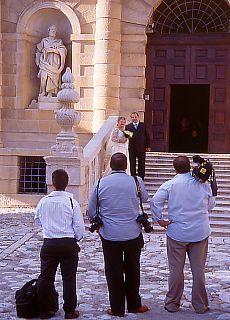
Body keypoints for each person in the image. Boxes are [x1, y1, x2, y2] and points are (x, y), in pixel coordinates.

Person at [150, 156, 216, 314]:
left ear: (175, 168)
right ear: (190, 167)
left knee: (175, 270)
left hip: (177, 232)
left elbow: (155, 202)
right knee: (199, 270)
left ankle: (172, 303)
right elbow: (211, 206)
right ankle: (200, 305)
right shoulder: (203, 184)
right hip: (199, 231)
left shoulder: (170, 184)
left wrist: (159, 220)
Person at [87, 153, 149, 317]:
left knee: (113, 271)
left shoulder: (100, 183)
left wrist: (97, 222)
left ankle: (117, 308)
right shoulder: (136, 181)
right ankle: (135, 304)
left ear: (111, 166)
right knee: (133, 269)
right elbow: (145, 197)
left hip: (109, 234)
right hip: (133, 232)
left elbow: (91, 210)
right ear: (126, 165)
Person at [35, 169, 84, 319]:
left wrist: (48, 228)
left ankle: (45, 309)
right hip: (67, 242)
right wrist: (76, 238)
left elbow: (37, 219)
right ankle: (69, 310)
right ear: (67, 183)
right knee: (69, 277)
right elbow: (79, 226)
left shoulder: (44, 201)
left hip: (49, 242)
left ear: (52, 183)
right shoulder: (71, 202)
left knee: (45, 276)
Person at [36, 25, 67, 97]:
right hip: (45, 62)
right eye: (52, 29)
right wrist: (38, 59)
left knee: (52, 79)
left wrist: (53, 50)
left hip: (55, 63)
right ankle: (43, 91)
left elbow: (63, 51)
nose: (53, 31)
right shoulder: (44, 40)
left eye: (54, 30)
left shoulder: (59, 41)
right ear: (49, 30)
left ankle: (50, 93)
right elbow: (39, 50)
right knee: (43, 77)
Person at [125, 112, 151, 180]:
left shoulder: (143, 125)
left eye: (135, 117)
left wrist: (148, 146)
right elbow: (127, 137)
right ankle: (133, 177)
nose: (134, 118)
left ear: (138, 117)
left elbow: (147, 136)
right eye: (132, 117)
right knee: (132, 163)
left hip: (141, 147)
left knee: (141, 163)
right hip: (132, 148)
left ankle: (141, 178)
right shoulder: (128, 126)